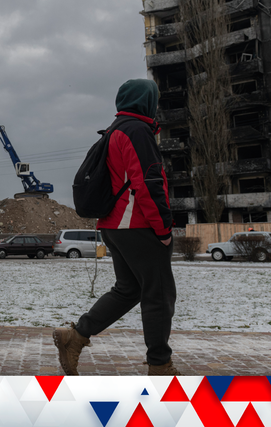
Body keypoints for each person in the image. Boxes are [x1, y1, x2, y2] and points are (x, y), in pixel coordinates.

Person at [53, 79, 178, 376]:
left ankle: (76, 336)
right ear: (146, 102)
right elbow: (148, 182)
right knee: (159, 295)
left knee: (128, 289)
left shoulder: (114, 131)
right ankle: (160, 365)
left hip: (114, 224)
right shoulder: (136, 131)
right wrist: (163, 229)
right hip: (137, 225)